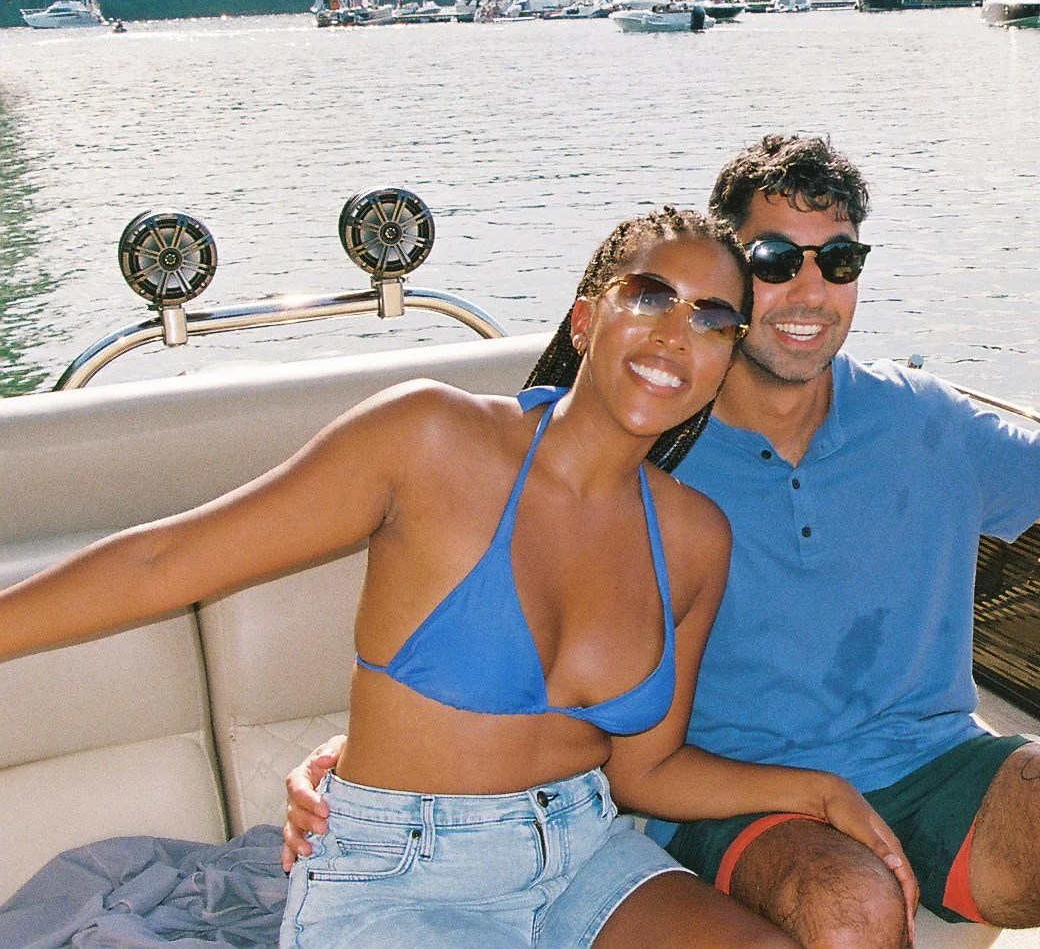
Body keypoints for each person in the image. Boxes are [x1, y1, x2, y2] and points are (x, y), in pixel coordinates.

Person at [290, 138, 1040, 947]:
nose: (811, 290)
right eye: (777, 259)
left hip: (933, 762)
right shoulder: (650, 440)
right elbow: (497, 610)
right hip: (731, 793)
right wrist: (359, 761)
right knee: (848, 908)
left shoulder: (922, 419)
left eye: (839, 259)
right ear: (730, 273)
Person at [2, 206, 915, 949]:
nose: (678, 336)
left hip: (586, 855)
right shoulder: (432, 438)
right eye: (649, 297)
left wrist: (812, 787)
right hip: (396, 877)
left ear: (725, 362)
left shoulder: (693, 539)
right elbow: (161, 559)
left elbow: (648, 770)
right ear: (586, 319)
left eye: (714, 320)